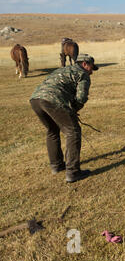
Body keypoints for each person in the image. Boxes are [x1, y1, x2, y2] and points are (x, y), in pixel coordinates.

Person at [30, 54, 99, 183]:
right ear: (84, 64)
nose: (91, 72)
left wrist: (69, 110)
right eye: (91, 68)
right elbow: (81, 98)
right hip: (53, 101)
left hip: (35, 99)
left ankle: (56, 166)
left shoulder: (62, 69)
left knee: (52, 130)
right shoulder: (82, 74)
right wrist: (73, 110)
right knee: (73, 132)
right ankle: (73, 172)